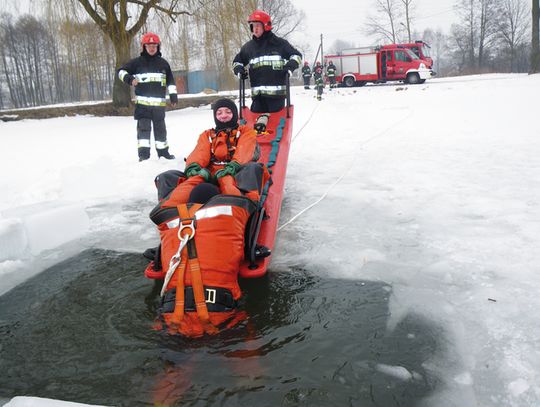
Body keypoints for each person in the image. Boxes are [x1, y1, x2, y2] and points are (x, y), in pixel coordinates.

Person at [160, 98, 269, 208]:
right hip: (209, 175)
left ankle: (246, 207)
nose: (224, 115)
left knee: (251, 170)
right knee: (167, 177)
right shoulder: (207, 135)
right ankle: (168, 211)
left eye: (228, 112)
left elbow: (244, 150)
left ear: (234, 114)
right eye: (219, 113)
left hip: (236, 173)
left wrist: (232, 167)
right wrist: (194, 168)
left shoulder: (245, 132)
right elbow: (200, 152)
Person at [118, 32, 178, 162]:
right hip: (143, 107)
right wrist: (129, 79)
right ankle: (143, 156)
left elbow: (171, 82)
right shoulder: (136, 63)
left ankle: (163, 154)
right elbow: (121, 72)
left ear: (158, 47)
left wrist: (173, 97)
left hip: (158, 108)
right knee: (143, 132)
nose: (152, 48)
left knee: (161, 131)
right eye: (149, 45)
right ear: (144, 47)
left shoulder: (163, 64)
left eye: (154, 45)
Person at [232, 10, 302, 113]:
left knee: (276, 128)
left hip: (276, 98)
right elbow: (237, 62)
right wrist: (239, 70)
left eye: (257, 26)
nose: (254, 29)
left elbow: (297, 56)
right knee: (255, 128)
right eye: (252, 26)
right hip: (257, 98)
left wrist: (290, 66)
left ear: (266, 26)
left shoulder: (280, 44)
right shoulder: (248, 48)